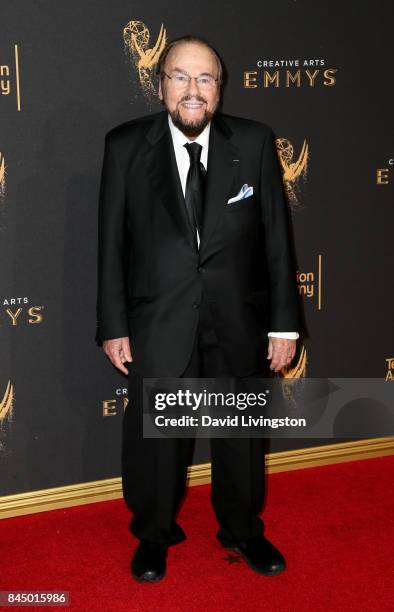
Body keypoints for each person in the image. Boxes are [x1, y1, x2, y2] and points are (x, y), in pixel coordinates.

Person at [96, 35, 301, 583]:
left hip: (238, 319)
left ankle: (242, 531)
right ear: (160, 84)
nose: (192, 90)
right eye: (180, 77)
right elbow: (111, 245)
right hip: (159, 319)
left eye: (204, 79)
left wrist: (284, 324)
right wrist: (114, 326)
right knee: (159, 442)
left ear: (219, 87)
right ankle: (154, 535)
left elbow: (276, 241)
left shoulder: (254, 143)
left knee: (239, 438)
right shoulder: (124, 147)